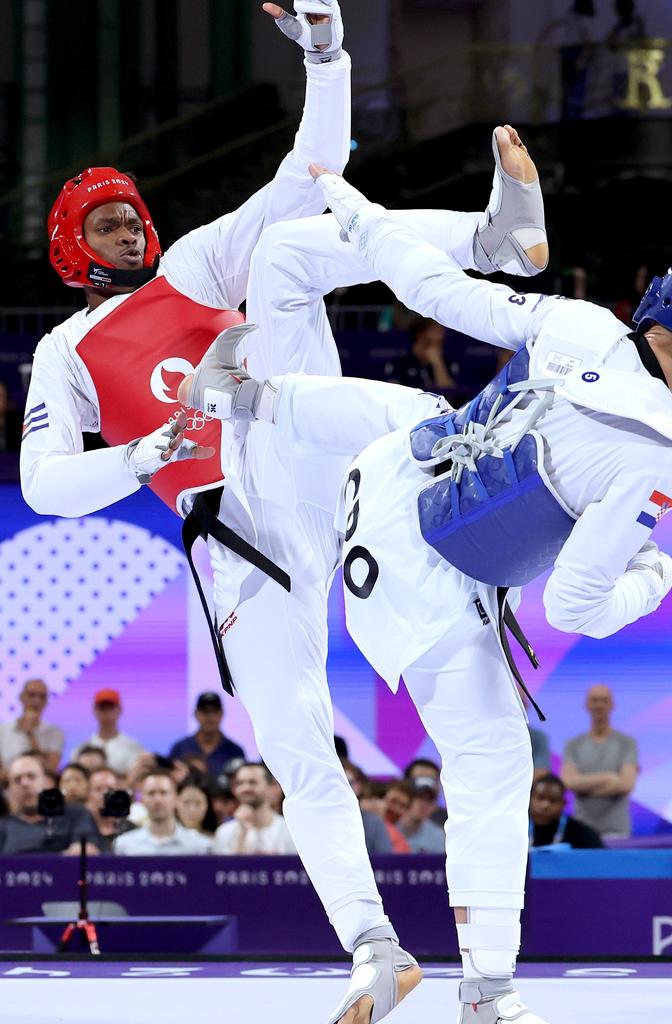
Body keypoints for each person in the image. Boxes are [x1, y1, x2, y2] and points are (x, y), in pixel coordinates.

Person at [181, 125, 672, 1022]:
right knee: (490, 761)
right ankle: (487, 991)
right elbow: (574, 608)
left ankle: (243, 398)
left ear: (659, 296)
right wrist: (652, 575)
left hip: (376, 495)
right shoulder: (657, 455)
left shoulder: (578, 322)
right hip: (426, 598)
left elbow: (431, 288)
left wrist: (353, 203)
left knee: (426, 408)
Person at [20, 11, 427, 1019]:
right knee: (296, 748)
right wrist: (141, 454)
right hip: (230, 539)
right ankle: (374, 946)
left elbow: (313, 165)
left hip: (291, 448)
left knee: (290, 242)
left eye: (133, 213)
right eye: (108, 221)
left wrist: (326, 58)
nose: (132, 225)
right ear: (73, 247)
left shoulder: (195, 263)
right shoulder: (63, 355)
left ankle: (447, 423)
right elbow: (40, 485)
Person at [561, 685, 639, 839]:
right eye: (594, 700)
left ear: (612, 705)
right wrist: (609, 778)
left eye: (604, 700)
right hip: (582, 831)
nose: (599, 705)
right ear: (587, 704)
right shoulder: (573, 744)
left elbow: (626, 784)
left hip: (617, 831)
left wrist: (583, 786)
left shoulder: (627, 743)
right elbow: (568, 782)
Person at [0, 754, 100, 854]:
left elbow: (87, 850)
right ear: (10, 789)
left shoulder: (77, 815)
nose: (25, 784)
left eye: (31, 777)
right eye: (17, 780)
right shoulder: (3, 827)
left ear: (45, 782)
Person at [113, 770, 211, 855]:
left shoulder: (200, 846)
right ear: (142, 799)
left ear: (176, 798)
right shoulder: (124, 846)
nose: (158, 800)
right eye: (151, 793)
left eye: (163, 793)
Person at [212, 762, 296, 854]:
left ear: (270, 786)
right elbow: (227, 868)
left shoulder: (289, 830)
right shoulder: (224, 833)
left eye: (252, 782)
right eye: (240, 783)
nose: (246, 788)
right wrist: (242, 834)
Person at [0, 678, 65, 782]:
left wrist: (30, 734)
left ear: (46, 701)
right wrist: (18, 776)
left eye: (42, 696)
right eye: (31, 695)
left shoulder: (55, 732)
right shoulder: (2, 731)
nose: (36, 701)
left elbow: (51, 771)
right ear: (21, 697)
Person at [168, 691, 246, 776]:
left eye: (214, 711)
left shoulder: (234, 751)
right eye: (205, 711)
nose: (210, 717)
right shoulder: (180, 748)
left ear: (221, 714)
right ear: (196, 714)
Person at [72, 689, 145, 776]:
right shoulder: (81, 749)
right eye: (102, 708)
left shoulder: (134, 748)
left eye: (110, 708)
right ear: (95, 711)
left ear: (119, 710)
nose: (106, 713)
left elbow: (135, 779)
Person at [529, 773, 603, 849]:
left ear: (563, 804)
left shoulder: (582, 834)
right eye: (540, 798)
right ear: (529, 799)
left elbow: (600, 858)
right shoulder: (518, 827)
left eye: (553, 800)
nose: (545, 805)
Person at [390, 317, 456, 391]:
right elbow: (394, 395)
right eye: (437, 331)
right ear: (420, 334)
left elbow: (451, 394)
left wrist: (437, 363)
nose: (442, 337)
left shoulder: (447, 363)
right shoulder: (399, 364)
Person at [86, 766, 136, 852]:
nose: (105, 794)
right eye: (99, 789)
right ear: (88, 794)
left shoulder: (132, 831)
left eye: (110, 789)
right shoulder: (78, 830)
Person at [396, 777, 446, 854]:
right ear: (407, 798)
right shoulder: (389, 827)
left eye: (429, 800)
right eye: (419, 797)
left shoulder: (437, 835)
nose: (424, 805)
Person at [404, 757, 447, 826]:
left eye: (431, 779)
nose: (425, 784)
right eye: (419, 778)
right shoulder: (392, 813)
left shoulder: (449, 820)